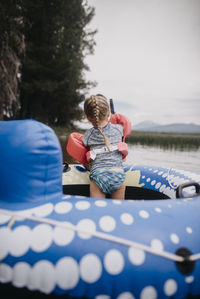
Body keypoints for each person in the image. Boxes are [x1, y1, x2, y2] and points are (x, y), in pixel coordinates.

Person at [82, 94, 127, 200]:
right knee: (118, 209)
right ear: (108, 113)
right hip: (118, 175)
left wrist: (87, 166)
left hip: (98, 176)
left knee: (98, 209)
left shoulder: (88, 135)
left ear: (88, 117)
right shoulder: (119, 129)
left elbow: (83, 158)